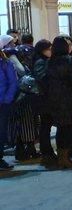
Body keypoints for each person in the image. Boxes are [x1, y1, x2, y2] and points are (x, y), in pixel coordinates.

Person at [45, 36, 72, 168]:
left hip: (54, 99)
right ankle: (65, 158)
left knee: (61, 129)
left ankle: (61, 157)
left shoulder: (50, 61)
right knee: (68, 128)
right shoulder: (70, 60)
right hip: (69, 98)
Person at [0, 35, 18, 170]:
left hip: (3, 103)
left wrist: (6, 100)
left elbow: (13, 83)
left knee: (1, 131)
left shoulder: (6, 63)